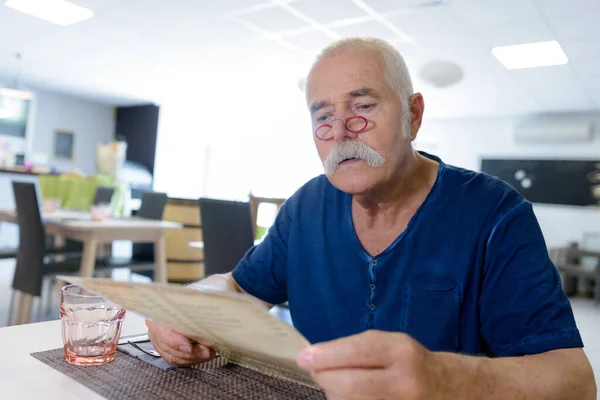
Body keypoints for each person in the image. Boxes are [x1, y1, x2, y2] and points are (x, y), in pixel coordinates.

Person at [147, 37, 597, 399]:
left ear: (413, 115)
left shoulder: (495, 215)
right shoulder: (305, 208)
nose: (341, 131)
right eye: (324, 115)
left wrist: (446, 379)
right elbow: (240, 287)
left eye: (362, 107)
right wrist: (186, 310)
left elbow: (574, 382)